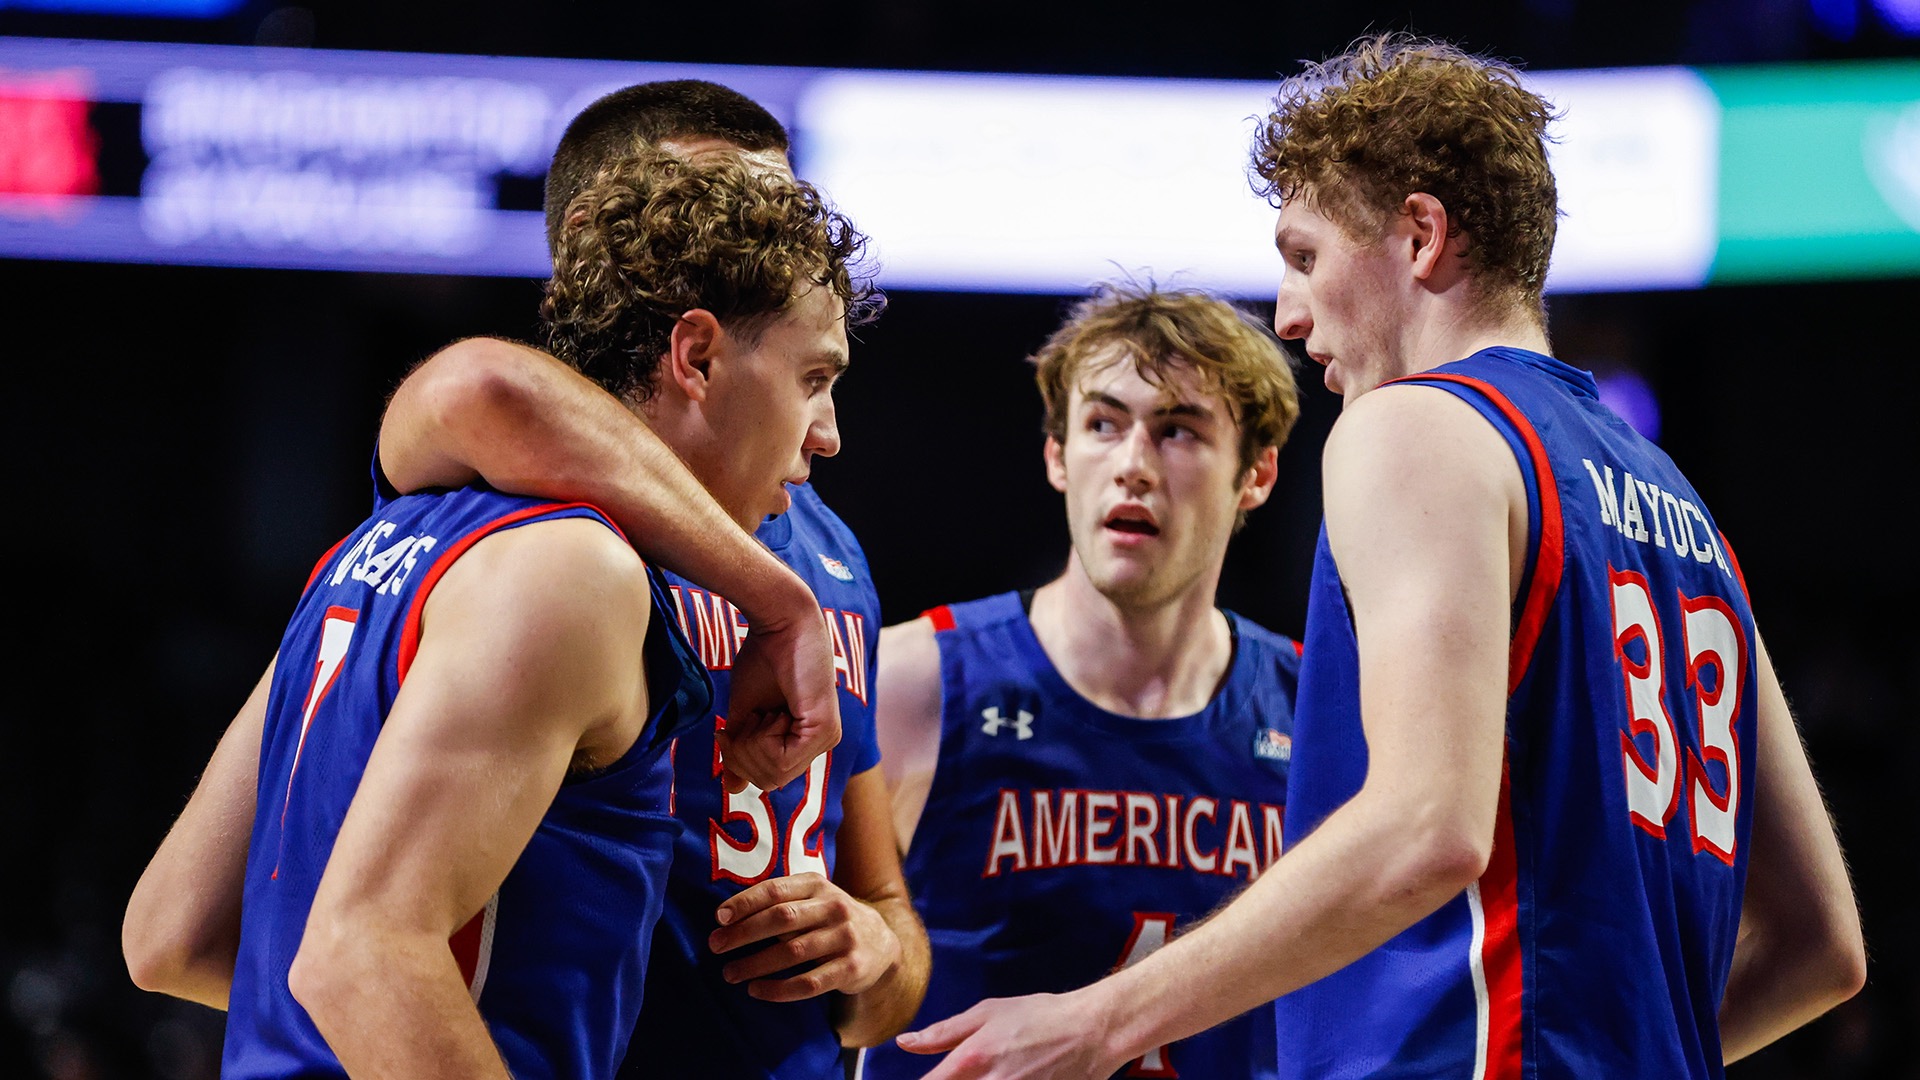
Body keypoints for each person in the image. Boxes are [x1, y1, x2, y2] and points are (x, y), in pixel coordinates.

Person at [898, 33, 1866, 1080]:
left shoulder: (1420, 426)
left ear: (1419, 236)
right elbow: (1824, 948)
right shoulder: (1680, 506)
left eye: (1305, 256)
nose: (1290, 313)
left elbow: (1426, 828)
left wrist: (1099, 1022)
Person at [121, 147, 878, 1079]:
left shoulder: (380, 544)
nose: (829, 432)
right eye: (814, 378)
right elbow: (361, 955)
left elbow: (172, 935)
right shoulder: (579, 567)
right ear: (697, 355)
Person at [375, 80, 930, 1077]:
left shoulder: (830, 549)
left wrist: (876, 951)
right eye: (719, 211)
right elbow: (476, 396)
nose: (764, 238)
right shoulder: (528, 524)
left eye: (781, 212)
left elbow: (892, 934)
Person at [859, 283, 1303, 1080]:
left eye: (1178, 431)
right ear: (1057, 456)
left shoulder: (1318, 713)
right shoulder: (911, 681)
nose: (1132, 465)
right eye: (1103, 424)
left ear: (1258, 475)